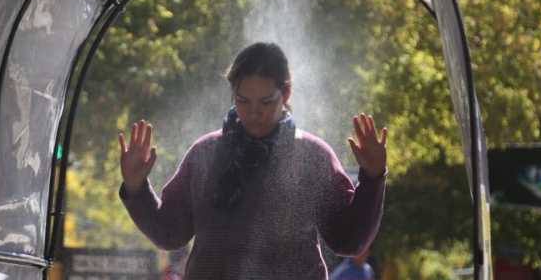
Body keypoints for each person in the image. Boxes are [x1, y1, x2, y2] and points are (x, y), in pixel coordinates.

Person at [118, 42, 388, 279]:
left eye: (266, 102)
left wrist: (373, 178)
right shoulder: (205, 154)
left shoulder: (312, 157)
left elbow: (349, 241)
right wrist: (136, 188)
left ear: (287, 94)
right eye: (243, 101)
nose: (254, 113)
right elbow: (170, 234)